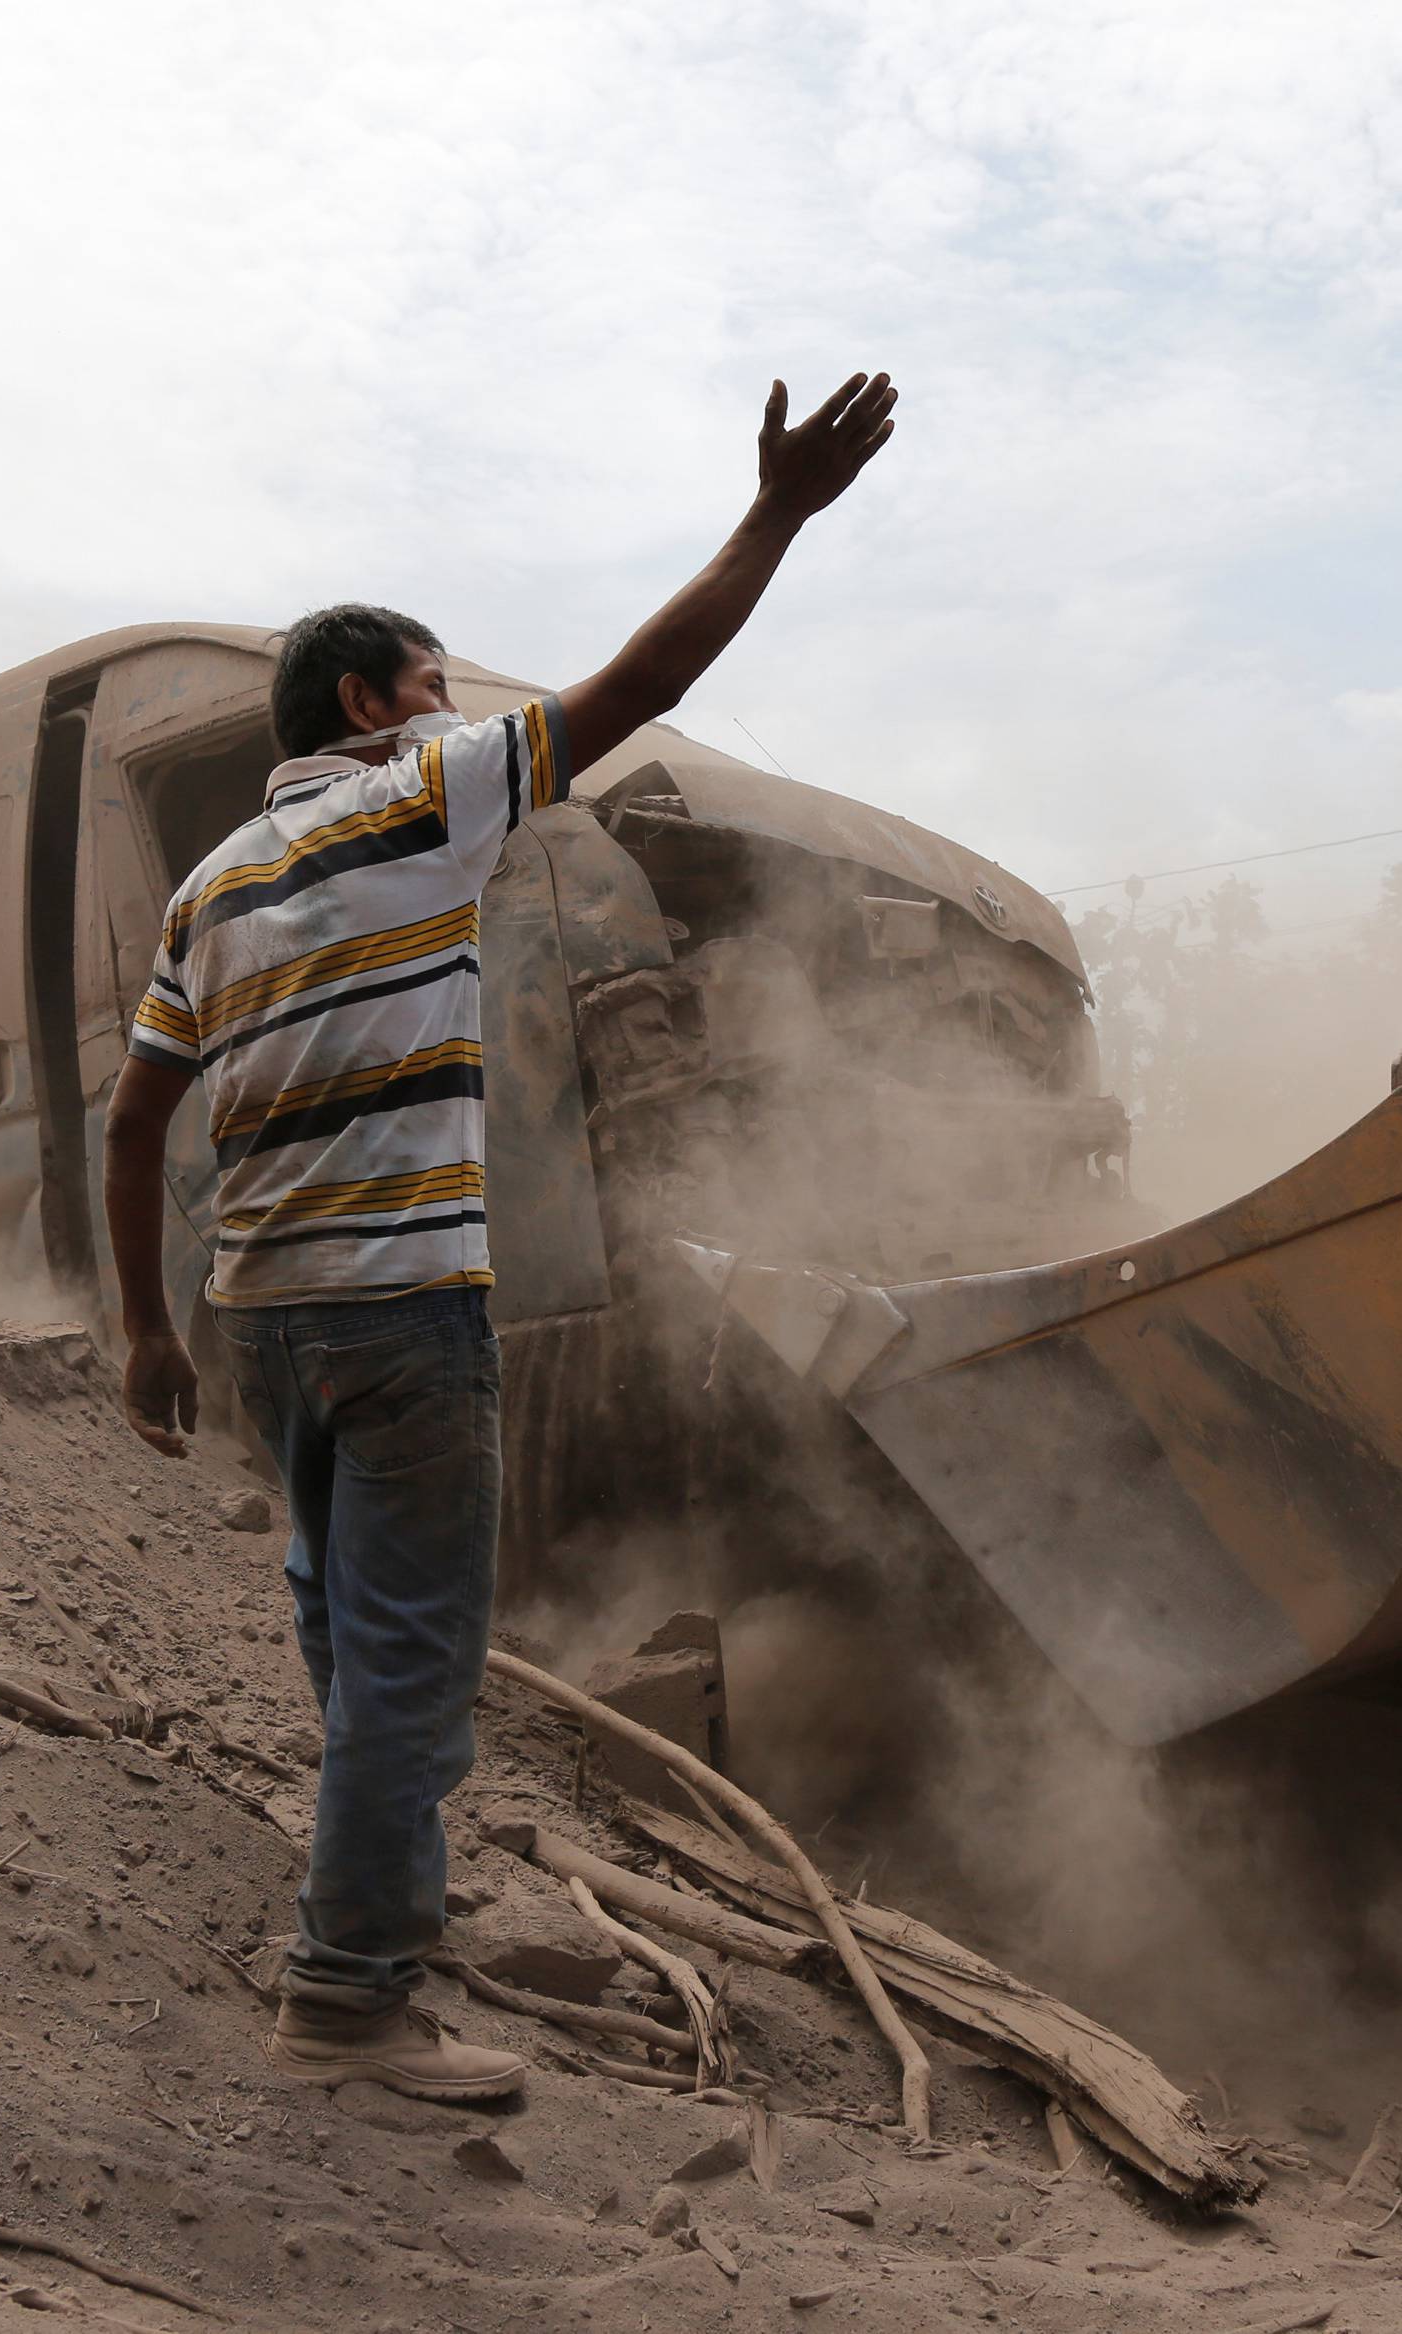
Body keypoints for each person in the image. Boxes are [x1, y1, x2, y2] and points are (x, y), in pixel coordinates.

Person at [100, 370, 898, 2102]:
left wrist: (151, 1330)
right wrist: (776, 518)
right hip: (403, 1315)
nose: (459, 707)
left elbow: (136, 1115)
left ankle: (373, 1885)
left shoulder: (210, 886)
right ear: (372, 701)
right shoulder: (424, 794)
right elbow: (645, 685)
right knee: (413, 1654)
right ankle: (351, 1999)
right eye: (438, 681)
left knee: (338, 1623)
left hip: (265, 1322)